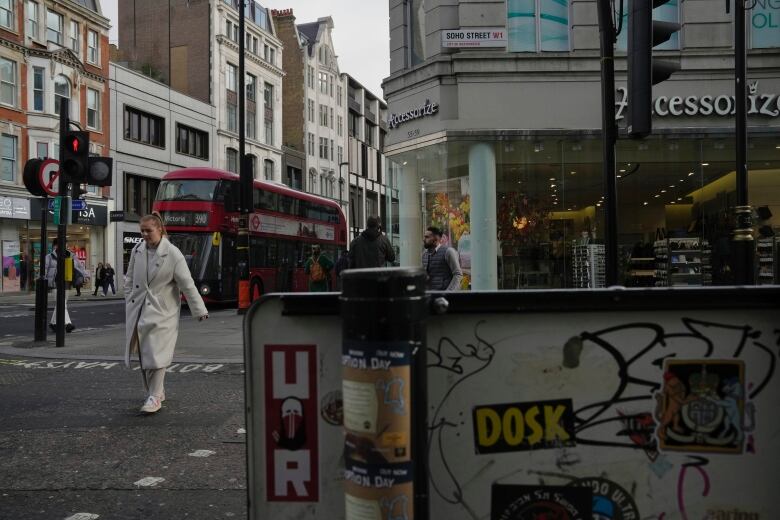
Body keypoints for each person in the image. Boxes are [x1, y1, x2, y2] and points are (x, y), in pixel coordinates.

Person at [124, 213, 209, 414]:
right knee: (144, 356)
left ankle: (154, 397)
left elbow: (187, 284)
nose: (144, 234)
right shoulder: (137, 250)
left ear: (159, 229)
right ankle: (156, 392)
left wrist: (199, 310)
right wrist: (129, 299)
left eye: (148, 230)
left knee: (155, 354)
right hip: (139, 309)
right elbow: (128, 279)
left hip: (162, 312)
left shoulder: (172, 253)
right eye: (142, 231)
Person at [44, 239, 76, 332]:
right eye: (62, 244)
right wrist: (43, 281)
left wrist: (85, 275)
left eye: (66, 244)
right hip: (55, 284)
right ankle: (67, 324)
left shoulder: (69, 255)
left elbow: (77, 266)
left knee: (62, 304)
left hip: (66, 284)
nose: (65, 246)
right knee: (61, 304)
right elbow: (44, 269)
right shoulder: (49, 257)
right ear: (55, 246)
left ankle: (53, 323)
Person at [422, 226, 463, 291]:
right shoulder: (424, 254)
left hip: (445, 297)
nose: (423, 239)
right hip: (430, 296)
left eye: (427, 237)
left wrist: (449, 292)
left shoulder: (448, 252)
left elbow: (458, 274)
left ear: (436, 239)